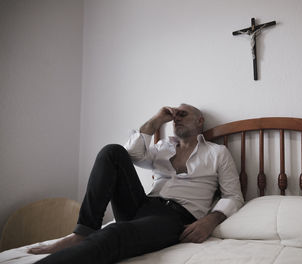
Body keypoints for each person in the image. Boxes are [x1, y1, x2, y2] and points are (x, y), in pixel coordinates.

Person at [28, 103, 244, 264]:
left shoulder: (218, 153)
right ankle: (83, 231)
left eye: (183, 114)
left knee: (113, 233)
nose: (176, 118)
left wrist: (210, 220)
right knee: (112, 151)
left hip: (175, 218)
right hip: (142, 205)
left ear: (200, 121)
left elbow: (233, 196)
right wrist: (155, 121)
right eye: (174, 115)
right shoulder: (162, 147)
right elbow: (129, 155)